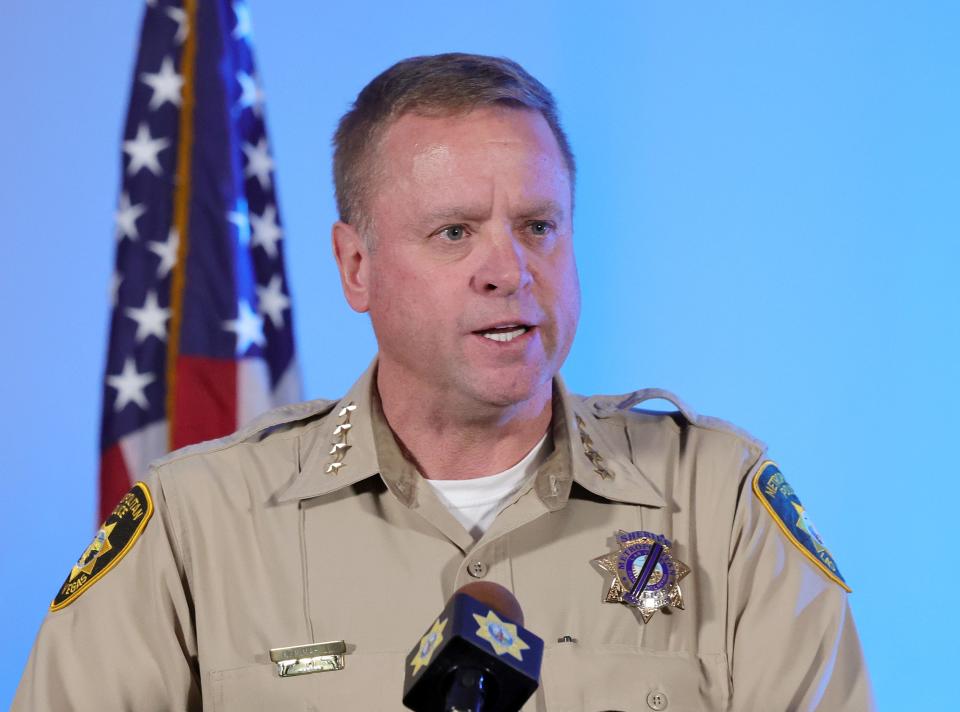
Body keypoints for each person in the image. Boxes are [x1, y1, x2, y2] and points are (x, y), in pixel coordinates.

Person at [14, 53, 874, 710]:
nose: (510, 269)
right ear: (356, 266)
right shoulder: (197, 527)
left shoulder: (718, 505)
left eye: (539, 225)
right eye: (455, 232)